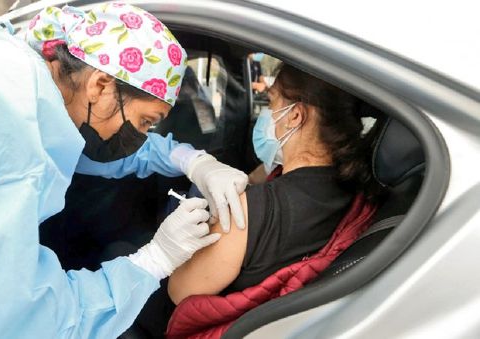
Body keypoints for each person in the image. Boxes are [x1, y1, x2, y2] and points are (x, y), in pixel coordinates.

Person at [0, 3, 248, 338]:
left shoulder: (13, 73)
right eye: (147, 122)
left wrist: (191, 160)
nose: (142, 137)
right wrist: (153, 261)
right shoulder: (5, 141)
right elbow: (15, 326)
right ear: (101, 85)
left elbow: (101, 147)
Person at [134, 63, 381, 336]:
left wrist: (168, 249)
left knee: (120, 250)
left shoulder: (248, 211)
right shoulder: (350, 186)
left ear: (295, 116)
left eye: (271, 102)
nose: (267, 115)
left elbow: (179, 290)